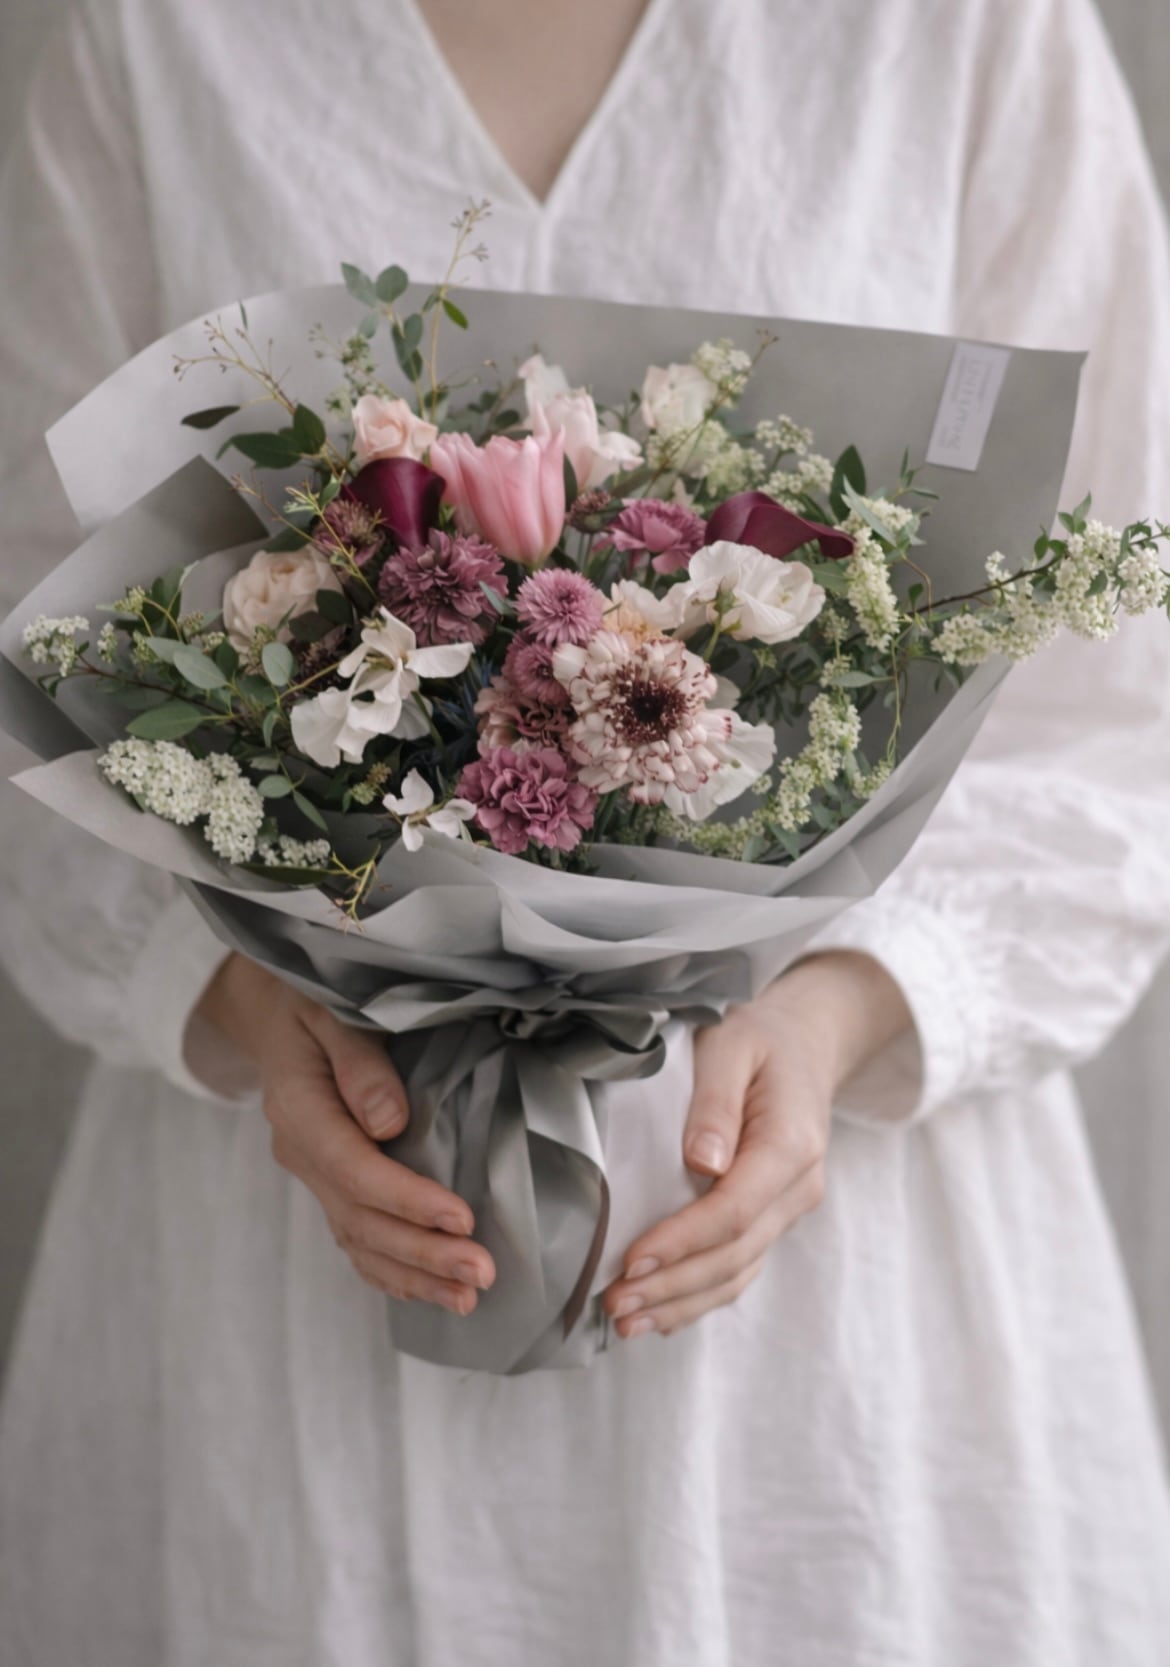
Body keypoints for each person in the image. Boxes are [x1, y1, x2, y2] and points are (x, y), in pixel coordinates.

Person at [2, 0, 1170, 1662]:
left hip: (824, 1276)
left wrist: (837, 1018)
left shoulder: (963, 29)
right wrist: (249, 1007)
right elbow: (38, 647)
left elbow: (1108, 693)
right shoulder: (156, 38)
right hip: (300, 1232)